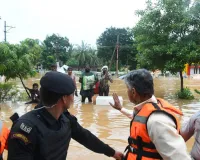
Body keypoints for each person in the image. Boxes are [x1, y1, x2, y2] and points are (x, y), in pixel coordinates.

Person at [7, 71, 122, 160]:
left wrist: (112, 152)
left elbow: (86, 137)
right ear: (64, 98)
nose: (73, 97)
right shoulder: (25, 128)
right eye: (72, 93)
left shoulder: (65, 119)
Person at [109, 69, 191, 160]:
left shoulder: (157, 121)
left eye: (127, 89)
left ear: (133, 92)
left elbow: (179, 157)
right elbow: (139, 119)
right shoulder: (149, 109)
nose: (126, 92)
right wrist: (121, 108)